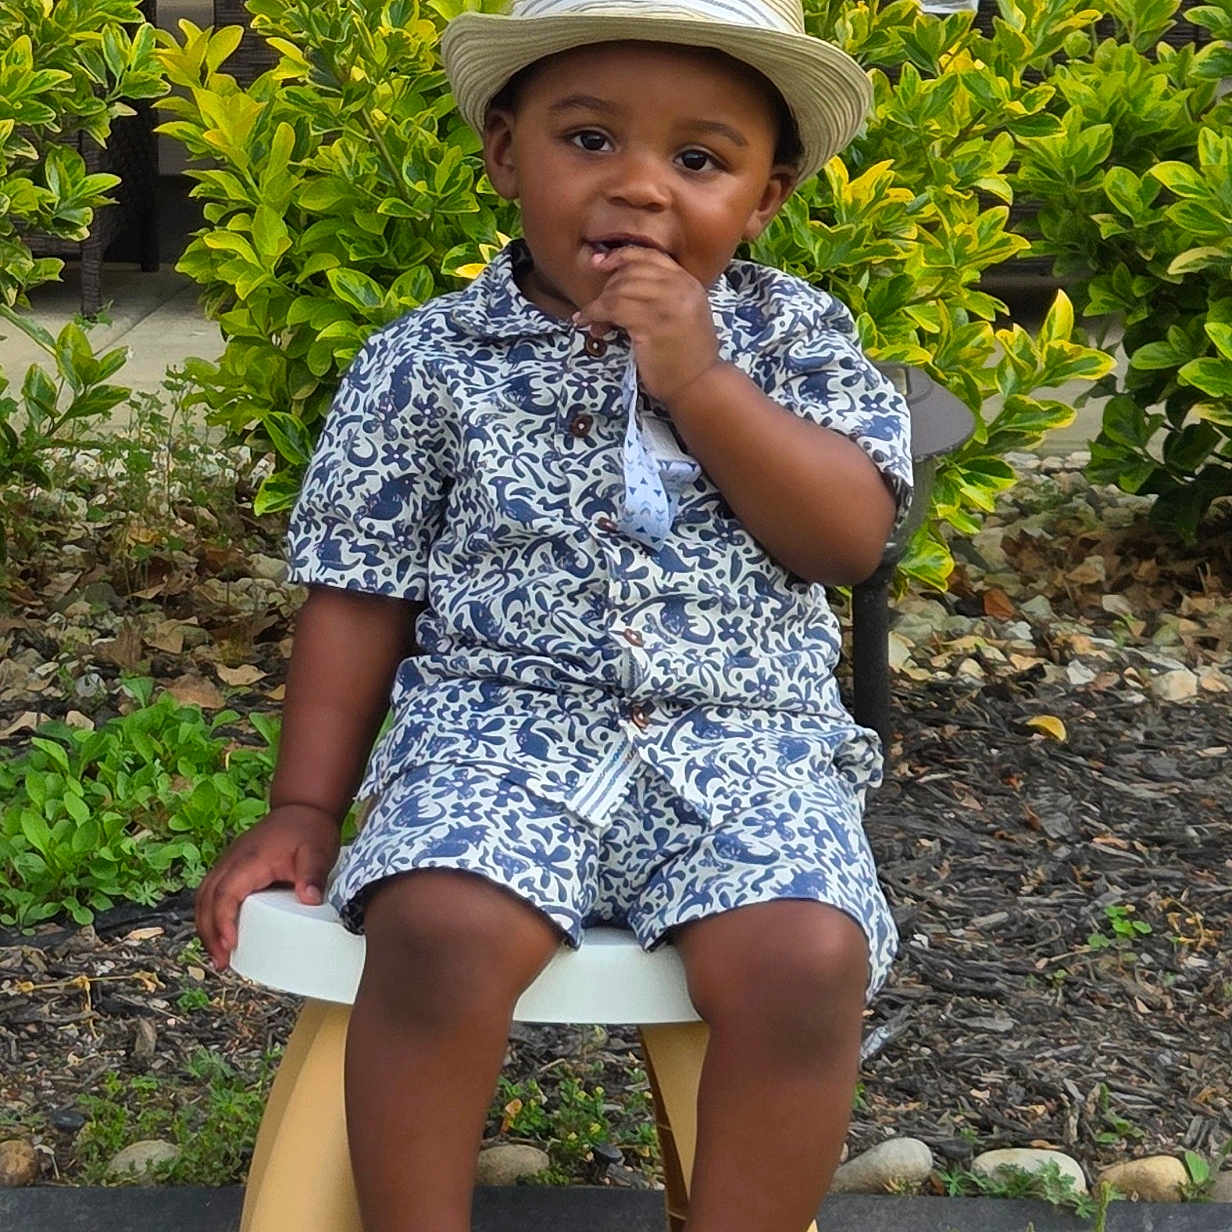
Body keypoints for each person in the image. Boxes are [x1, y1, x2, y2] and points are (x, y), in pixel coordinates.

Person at [195, 0, 913, 1226]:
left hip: (744, 743)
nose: (639, 188)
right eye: (589, 140)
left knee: (805, 957)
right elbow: (360, 588)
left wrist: (697, 379)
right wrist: (306, 803)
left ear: (765, 196)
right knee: (434, 927)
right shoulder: (426, 359)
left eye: (696, 160)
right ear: (503, 153)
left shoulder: (795, 338)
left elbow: (845, 539)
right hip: (497, 731)